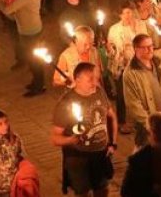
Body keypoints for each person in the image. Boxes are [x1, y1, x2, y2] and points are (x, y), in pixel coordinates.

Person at [50, 62, 118, 197]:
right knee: (83, 193)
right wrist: (71, 139)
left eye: (96, 78)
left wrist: (112, 143)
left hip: (101, 155)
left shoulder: (99, 92)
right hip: (78, 159)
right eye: (90, 79)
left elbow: (112, 116)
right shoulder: (66, 103)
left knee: (102, 189)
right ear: (77, 80)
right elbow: (55, 138)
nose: (95, 82)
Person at [0, 0, 46, 96]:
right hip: (32, 27)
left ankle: (39, 86)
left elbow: (8, 10)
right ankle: (37, 82)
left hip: (29, 31)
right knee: (33, 59)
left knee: (34, 60)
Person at [123, 33, 161, 148]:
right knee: (150, 150)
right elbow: (133, 103)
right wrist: (149, 123)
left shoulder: (158, 62)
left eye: (151, 46)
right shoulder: (130, 73)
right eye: (145, 47)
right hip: (151, 119)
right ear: (136, 49)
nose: (150, 49)